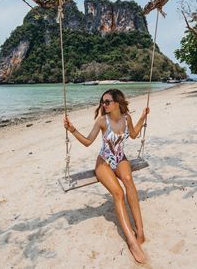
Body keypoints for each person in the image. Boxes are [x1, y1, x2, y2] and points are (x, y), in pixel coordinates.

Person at [64, 89, 149, 264]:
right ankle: (132, 242)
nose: (104, 105)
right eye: (103, 102)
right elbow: (88, 142)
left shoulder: (127, 118)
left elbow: (133, 135)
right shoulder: (102, 121)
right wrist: (72, 129)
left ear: (118, 102)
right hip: (104, 162)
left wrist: (143, 118)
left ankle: (140, 230)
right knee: (118, 193)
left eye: (107, 102)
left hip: (120, 158)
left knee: (128, 180)